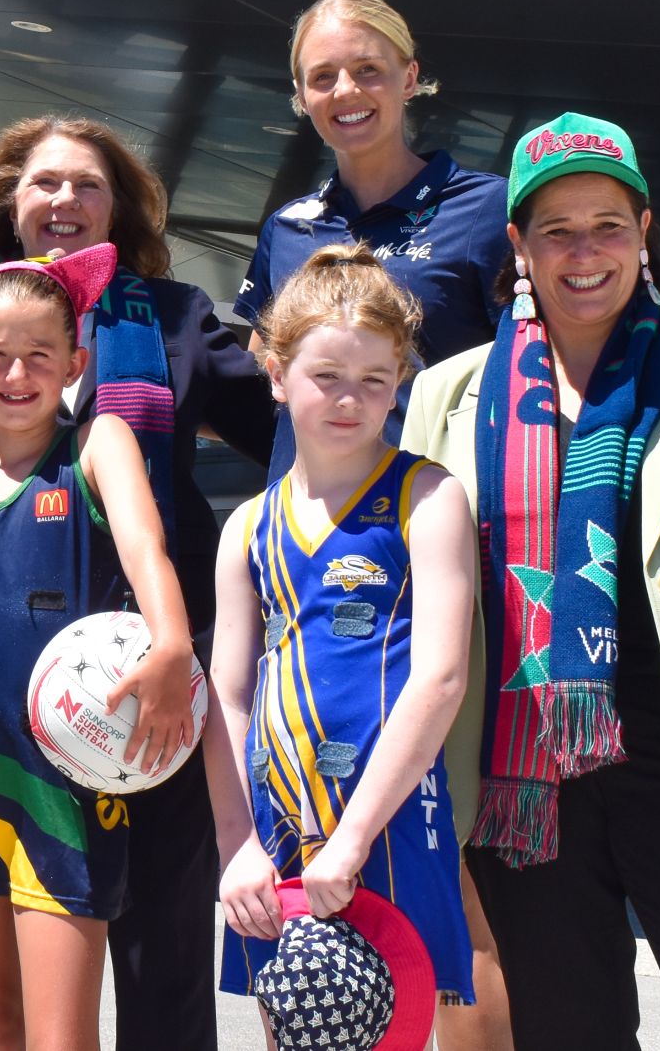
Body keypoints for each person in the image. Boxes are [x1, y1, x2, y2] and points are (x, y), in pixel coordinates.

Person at [400, 113, 660, 1050]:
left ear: (645, 232)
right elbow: (415, 593)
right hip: (524, 767)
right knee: (568, 1029)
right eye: (556, 229)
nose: (584, 252)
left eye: (607, 225)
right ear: (518, 245)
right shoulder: (449, 394)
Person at [0, 116, 272, 1048]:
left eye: (86, 185)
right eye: (44, 184)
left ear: (116, 206)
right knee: (6, 1005)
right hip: (1, 706)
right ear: (12, 207)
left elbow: (281, 415)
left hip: (150, 685)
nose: (64, 201)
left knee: (163, 954)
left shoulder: (174, 317)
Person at [0, 243, 198, 1051]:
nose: (15, 373)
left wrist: (171, 646)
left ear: (76, 361)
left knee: (60, 1038)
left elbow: (145, 548)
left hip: (66, 782)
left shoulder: (99, 444)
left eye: (38, 355)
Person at [203, 245, 476, 1043]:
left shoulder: (426, 495)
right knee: (297, 1034)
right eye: (326, 375)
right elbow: (225, 696)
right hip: (277, 827)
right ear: (278, 374)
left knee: (391, 1032)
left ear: (400, 383)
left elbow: (441, 677)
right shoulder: (247, 526)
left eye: (374, 379)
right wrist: (238, 843)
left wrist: (352, 838)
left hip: (387, 820)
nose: (350, 399)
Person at [235, 0, 510, 484]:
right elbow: (259, 375)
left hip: (437, 513)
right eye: (323, 76)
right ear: (301, 96)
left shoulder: (487, 210)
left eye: (367, 69)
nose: (345, 90)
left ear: (408, 78)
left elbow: (531, 368)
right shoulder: (287, 227)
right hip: (303, 527)